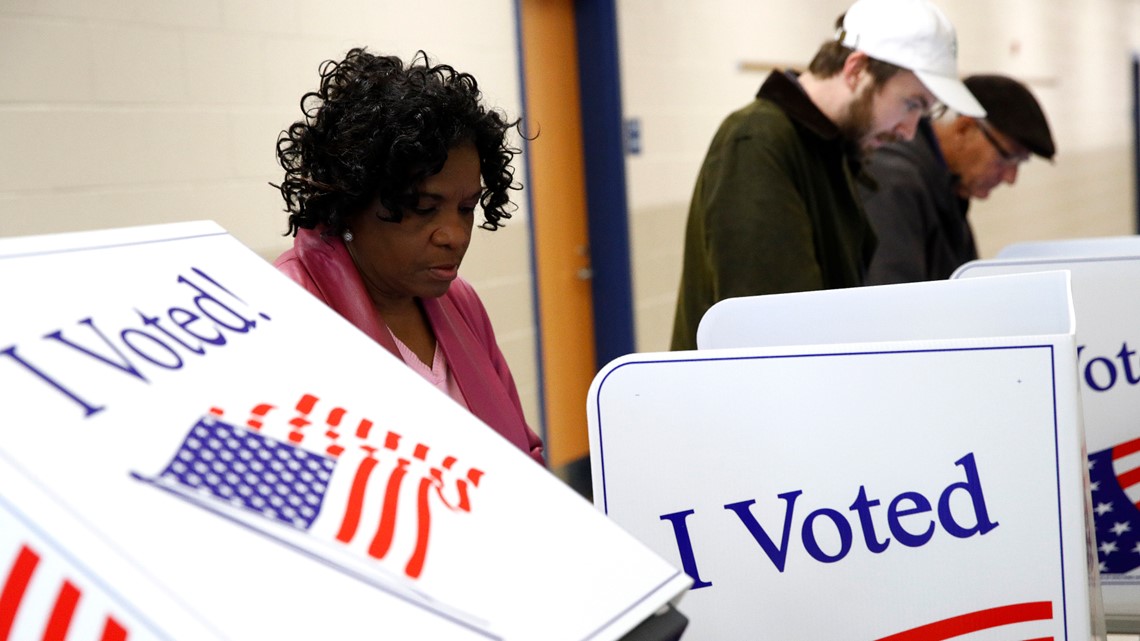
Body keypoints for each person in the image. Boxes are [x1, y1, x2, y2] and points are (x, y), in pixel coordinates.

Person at [272, 48, 545, 466]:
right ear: (352, 198)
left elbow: (524, 452)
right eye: (423, 207)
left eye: (467, 207)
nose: (455, 236)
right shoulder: (288, 313)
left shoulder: (461, 301)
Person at [669, 0, 985, 351]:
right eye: (911, 104)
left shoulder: (834, 151)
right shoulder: (758, 141)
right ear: (855, 69)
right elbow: (770, 335)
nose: (910, 132)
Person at [861, 74, 1056, 284]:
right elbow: (892, 302)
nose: (1011, 178)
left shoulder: (946, 185)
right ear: (964, 129)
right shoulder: (895, 186)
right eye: (1008, 157)